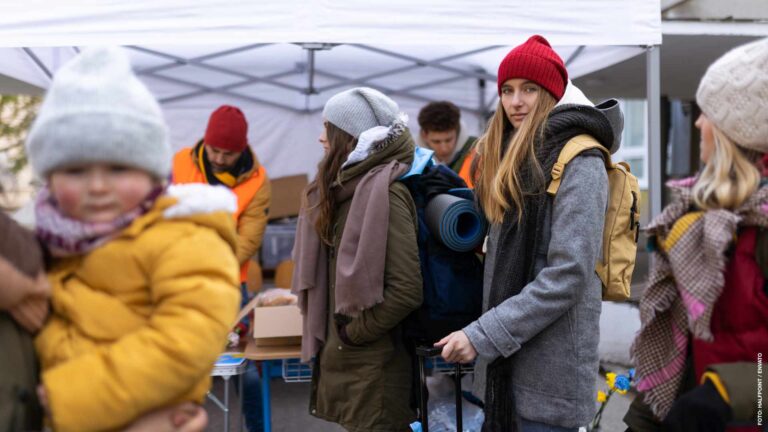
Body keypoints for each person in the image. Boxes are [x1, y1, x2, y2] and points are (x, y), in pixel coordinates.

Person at [26, 46, 240, 432]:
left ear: (154, 175)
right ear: (50, 180)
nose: (97, 186)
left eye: (119, 167)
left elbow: (185, 342)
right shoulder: (47, 240)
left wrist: (77, 395)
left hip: (119, 410)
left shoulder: (186, 238)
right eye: (74, 170)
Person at [435, 35, 614, 431]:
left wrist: (482, 335)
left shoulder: (580, 160)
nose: (515, 101)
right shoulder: (513, 157)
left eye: (529, 89)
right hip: (508, 372)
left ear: (551, 93)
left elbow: (567, 274)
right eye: (507, 90)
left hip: (551, 377)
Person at [625, 38, 768, 432]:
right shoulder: (696, 215)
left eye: (707, 113)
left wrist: (729, 393)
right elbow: (678, 343)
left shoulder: (760, 223)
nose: (698, 123)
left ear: (736, 130)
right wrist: (642, 423)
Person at [292, 87, 423, 431]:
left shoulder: (386, 195)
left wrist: (354, 334)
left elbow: (407, 289)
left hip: (373, 370)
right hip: (353, 366)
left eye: (328, 128)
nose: (321, 138)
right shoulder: (346, 192)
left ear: (349, 137)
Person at [417, 101, 477, 187]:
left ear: (457, 131)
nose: (444, 148)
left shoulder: (477, 149)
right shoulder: (413, 159)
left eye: (448, 140)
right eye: (436, 141)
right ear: (424, 136)